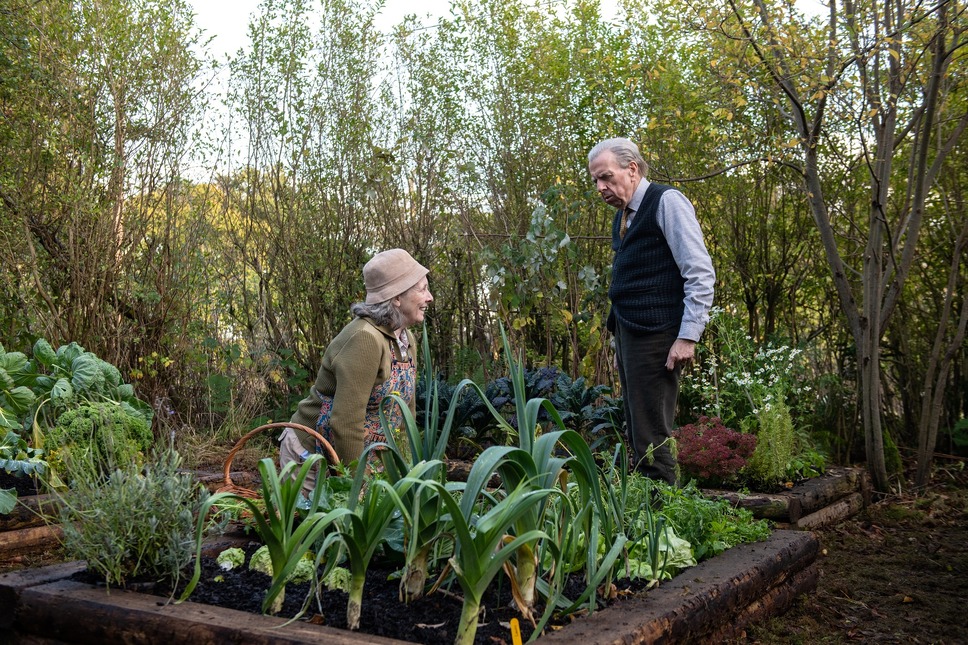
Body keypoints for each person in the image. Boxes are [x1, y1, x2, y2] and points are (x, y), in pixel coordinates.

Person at [588, 137, 715, 485]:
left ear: (632, 169)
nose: (601, 187)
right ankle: (647, 510)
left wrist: (688, 336)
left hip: (658, 333)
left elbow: (699, 272)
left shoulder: (666, 202)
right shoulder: (623, 216)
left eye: (606, 177)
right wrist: (621, 344)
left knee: (652, 431)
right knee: (637, 426)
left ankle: (662, 519)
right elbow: (629, 282)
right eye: (596, 181)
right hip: (631, 333)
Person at [279, 248, 433, 493]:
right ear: (396, 298)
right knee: (313, 529)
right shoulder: (365, 338)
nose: (430, 297)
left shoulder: (406, 338)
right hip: (314, 455)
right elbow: (346, 421)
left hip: (360, 457)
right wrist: (355, 487)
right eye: (422, 289)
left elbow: (405, 414)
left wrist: (403, 470)